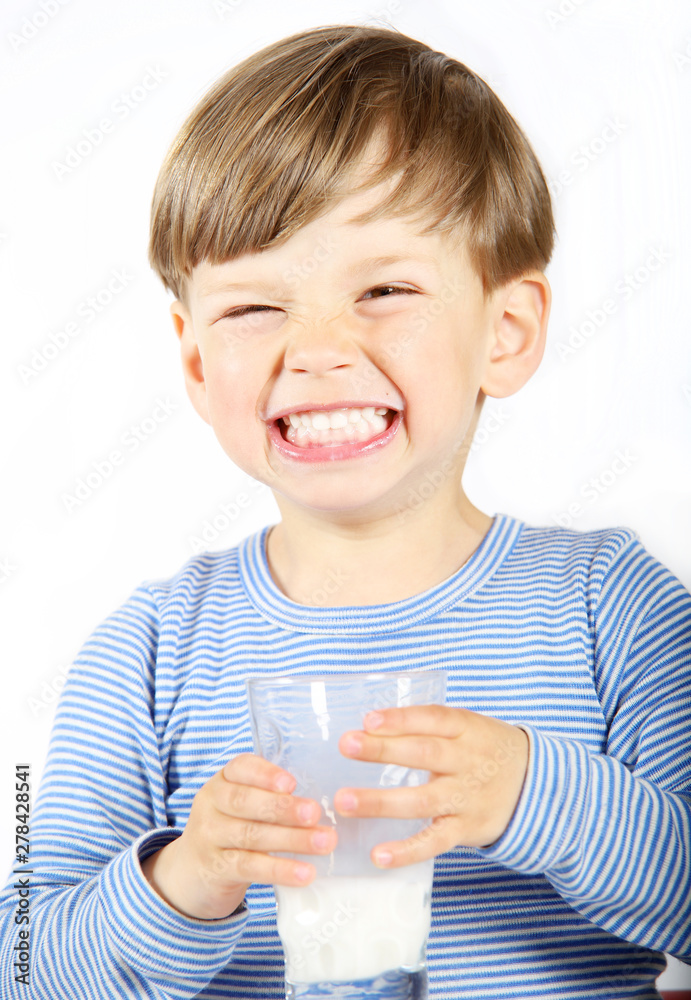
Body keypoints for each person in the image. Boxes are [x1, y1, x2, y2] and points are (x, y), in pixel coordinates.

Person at [1, 23, 689, 999]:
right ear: (196, 362)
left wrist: (535, 796)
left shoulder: (612, 608)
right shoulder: (145, 655)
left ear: (505, 331)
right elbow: (22, 962)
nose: (319, 348)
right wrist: (186, 879)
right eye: (252, 308)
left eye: (384, 288)